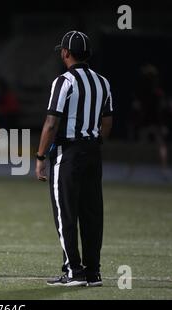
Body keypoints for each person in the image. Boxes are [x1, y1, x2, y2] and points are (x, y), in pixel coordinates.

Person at [35, 31, 113, 287]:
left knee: (66, 214)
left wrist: (40, 156)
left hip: (68, 153)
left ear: (66, 53)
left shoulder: (63, 81)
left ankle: (74, 272)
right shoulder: (103, 81)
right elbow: (107, 120)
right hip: (93, 152)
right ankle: (93, 272)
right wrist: (96, 142)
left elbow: (51, 122)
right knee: (92, 213)